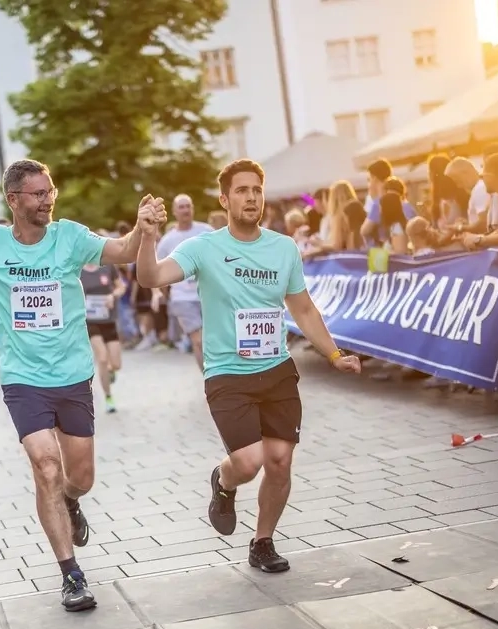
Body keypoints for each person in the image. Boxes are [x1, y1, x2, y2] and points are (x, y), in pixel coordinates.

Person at [0, 158, 162, 611]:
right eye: (39, 194)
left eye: (50, 192)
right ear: (14, 200)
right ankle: (71, 575)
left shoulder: (70, 237)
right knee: (46, 466)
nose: (48, 200)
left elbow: (123, 251)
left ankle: (70, 500)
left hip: (73, 375)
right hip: (24, 378)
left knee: (80, 477)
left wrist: (142, 229)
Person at [135, 159, 361, 574]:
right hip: (227, 374)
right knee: (248, 462)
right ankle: (223, 482)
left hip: (276, 369)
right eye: (241, 190)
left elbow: (303, 309)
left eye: (257, 190)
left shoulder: (284, 248)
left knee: (279, 461)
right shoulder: (203, 248)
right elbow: (151, 278)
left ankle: (262, 542)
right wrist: (148, 238)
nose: (251, 197)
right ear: (225, 199)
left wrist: (334, 354)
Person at [158, 195, 212, 371]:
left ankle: (220, 375)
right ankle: (208, 378)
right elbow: (159, 272)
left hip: (209, 294)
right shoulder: (167, 241)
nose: (185, 210)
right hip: (182, 298)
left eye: (188, 206)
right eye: (181, 207)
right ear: (174, 211)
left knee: (214, 340)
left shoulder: (206, 231)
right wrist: (163, 294)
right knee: (199, 341)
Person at [80, 260, 126, 412]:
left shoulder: (108, 267)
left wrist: (113, 295)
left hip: (108, 320)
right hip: (90, 322)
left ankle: (110, 371)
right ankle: (108, 397)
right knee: (102, 358)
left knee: (116, 364)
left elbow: (121, 287)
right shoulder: (78, 269)